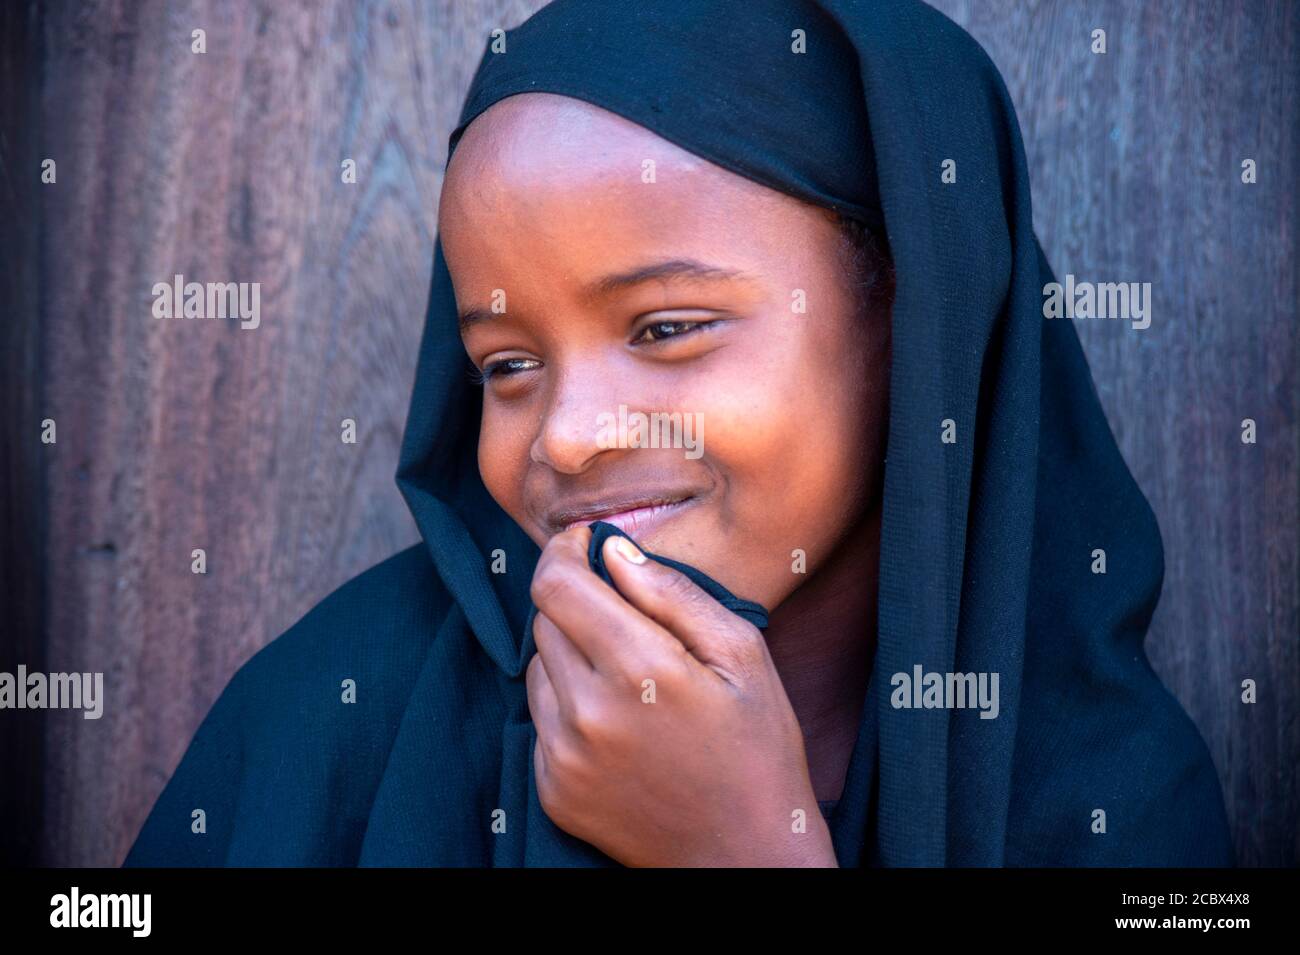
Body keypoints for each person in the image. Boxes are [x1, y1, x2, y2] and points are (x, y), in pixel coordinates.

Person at [124, 0, 1234, 867]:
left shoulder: (1115, 800)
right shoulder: (321, 726)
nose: (566, 436)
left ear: (912, 320)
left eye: (664, 327)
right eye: (506, 364)